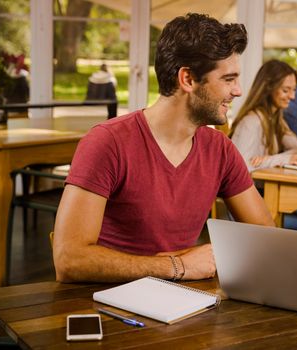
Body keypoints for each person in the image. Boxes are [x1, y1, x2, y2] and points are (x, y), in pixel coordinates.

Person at [53, 13, 274, 283]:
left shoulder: (220, 149)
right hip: (106, 302)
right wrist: (177, 265)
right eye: (228, 79)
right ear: (188, 80)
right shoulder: (107, 142)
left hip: (181, 302)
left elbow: (265, 233)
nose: (238, 91)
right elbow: (69, 259)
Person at [230, 60, 297, 173]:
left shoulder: (276, 119)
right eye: (285, 90)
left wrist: (269, 159)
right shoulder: (252, 121)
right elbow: (239, 169)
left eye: (294, 90)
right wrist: (283, 159)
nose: (292, 97)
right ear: (268, 88)